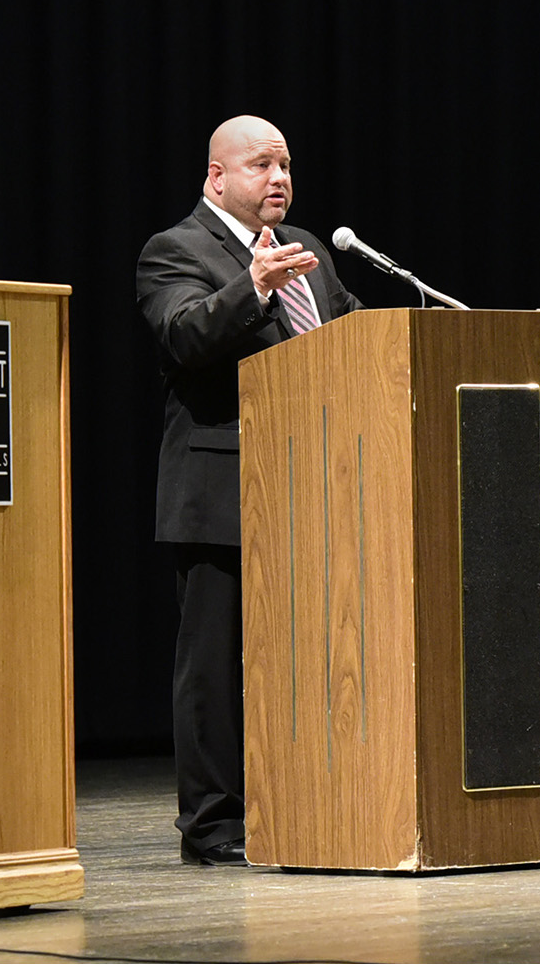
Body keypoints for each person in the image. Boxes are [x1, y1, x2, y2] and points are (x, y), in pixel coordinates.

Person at [135, 115, 362, 865]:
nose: (280, 180)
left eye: (287, 165)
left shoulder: (311, 253)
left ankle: (299, 806)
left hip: (314, 485)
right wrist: (253, 286)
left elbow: (352, 337)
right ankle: (214, 826)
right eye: (263, 165)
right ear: (217, 177)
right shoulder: (175, 250)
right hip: (223, 486)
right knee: (216, 666)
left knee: (309, 659)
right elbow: (184, 336)